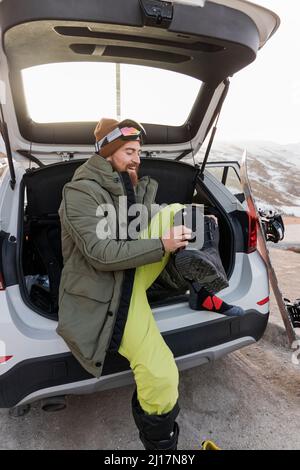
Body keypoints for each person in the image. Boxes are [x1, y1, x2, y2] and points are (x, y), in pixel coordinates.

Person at [57, 117, 245, 450]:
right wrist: (163, 244)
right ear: (107, 152)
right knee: (161, 375)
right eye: (129, 151)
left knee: (177, 210)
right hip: (103, 290)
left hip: (131, 270)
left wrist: (198, 223)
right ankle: (161, 451)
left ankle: (202, 290)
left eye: (138, 151)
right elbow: (101, 253)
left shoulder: (127, 186)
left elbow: (149, 218)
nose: (136, 158)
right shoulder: (79, 192)